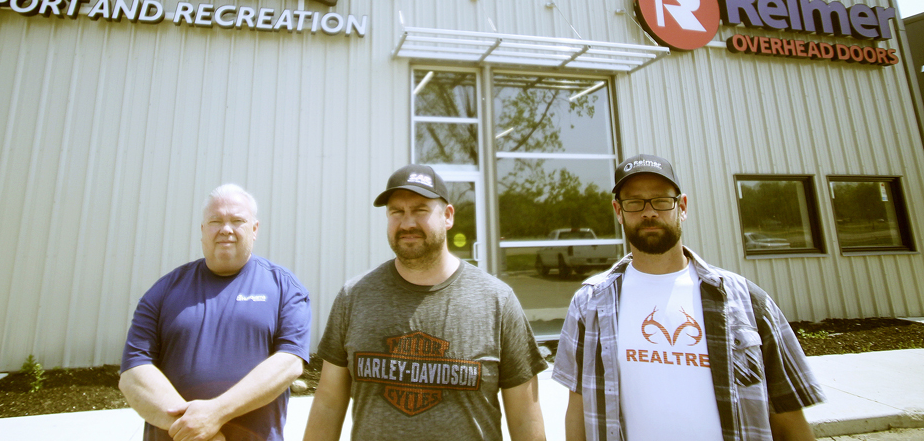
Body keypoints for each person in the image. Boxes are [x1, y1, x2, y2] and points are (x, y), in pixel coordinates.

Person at [553, 155, 825, 441]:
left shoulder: (747, 300)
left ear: (681, 206)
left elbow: (787, 414)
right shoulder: (590, 303)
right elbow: (579, 408)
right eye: (634, 202)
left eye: (661, 200)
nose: (649, 212)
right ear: (618, 212)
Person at [303, 164, 548, 441]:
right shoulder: (354, 297)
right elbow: (327, 404)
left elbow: (526, 417)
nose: (407, 223)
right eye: (397, 212)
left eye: (420, 210)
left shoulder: (497, 301)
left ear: (448, 216)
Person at [120, 183, 311, 441]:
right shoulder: (164, 290)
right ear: (202, 230)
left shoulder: (284, 287)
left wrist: (215, 414)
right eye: (215, 221)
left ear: (255, 229)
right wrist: (192, 430)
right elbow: (133, 372)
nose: (226, 229)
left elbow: (289, 363)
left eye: (237, 220)